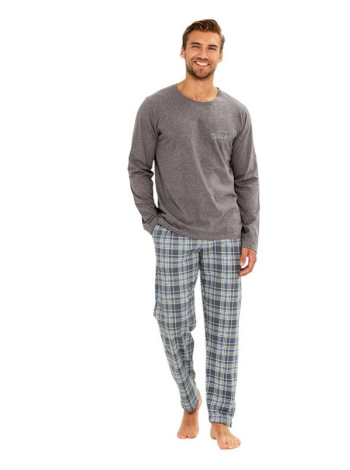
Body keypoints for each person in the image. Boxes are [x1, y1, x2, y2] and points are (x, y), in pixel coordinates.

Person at [127, 19, 260, 450]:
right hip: (173, 233)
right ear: (183, 51)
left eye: (211, 47)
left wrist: (250, 237)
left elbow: (247, 179)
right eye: (196, 46)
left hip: (225, 235)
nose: (203, 54)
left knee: (223, 330)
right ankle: (190, 400)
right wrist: (152, 223)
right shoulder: (155, 106)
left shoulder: (236, 113)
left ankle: (220, 418)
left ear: (221, 55)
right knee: (170, 322)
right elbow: (138, 167)